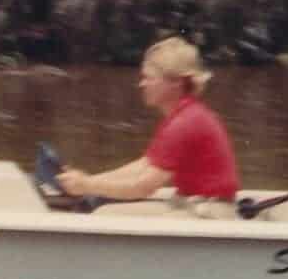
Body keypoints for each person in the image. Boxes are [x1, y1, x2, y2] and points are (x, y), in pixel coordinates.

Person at [57, 37, 240, 215]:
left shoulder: (184, 123)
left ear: (176, 82)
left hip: (210, 212)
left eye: (148, 78)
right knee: (102, 204)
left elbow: (143, 187)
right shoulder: (184, 115)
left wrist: (87, 186)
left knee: (104, 213)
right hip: (200, 205)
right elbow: (144, 165)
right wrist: (87, 181)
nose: (141, 84)